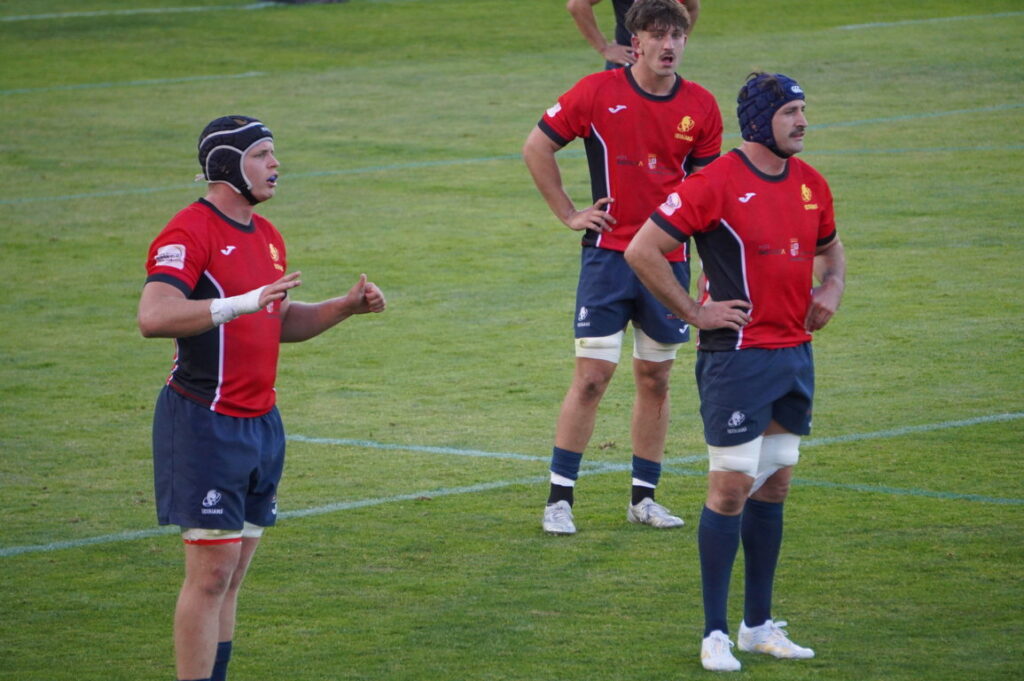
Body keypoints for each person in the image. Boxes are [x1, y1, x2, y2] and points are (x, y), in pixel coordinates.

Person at [138, 115, 386, 681]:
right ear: (227, 165)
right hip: (205, 421)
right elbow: (153, 317)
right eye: (263, 154)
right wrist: (241, 303)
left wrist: (343, 307)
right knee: (209, 575)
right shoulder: (188, 232)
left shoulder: (267, 235)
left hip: (261, 424)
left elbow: (277, 321)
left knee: (232, 575)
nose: (276, 164)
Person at [624, 72, 846, 671]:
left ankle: (757, 626)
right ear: (760, 121)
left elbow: (832, 246)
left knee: (774, 482)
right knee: (729, 484)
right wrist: (695, 312)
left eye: (803, 110)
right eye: (791, 112)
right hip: (737, 357)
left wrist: (834, 286)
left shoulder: (811, 185)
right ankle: (714, 632)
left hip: (794, 354)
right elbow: (641, 248)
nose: (802, 122)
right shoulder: (715, 182)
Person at [523, 0, 723, 535]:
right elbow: (536, 146)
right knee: (591, 377)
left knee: (656, 378)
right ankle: (559, 500)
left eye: (676, 35)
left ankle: (643, 498)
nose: (668, 45)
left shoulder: (702, 107)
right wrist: (569, 212)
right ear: (634, 43)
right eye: (657, 35)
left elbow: (706, 199)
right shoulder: (596, 92)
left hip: (668, 263)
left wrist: (711, 274)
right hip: (608, 257)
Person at [567, 0, 699, 69]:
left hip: (662, 68)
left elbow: (692, 8)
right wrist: (604, 48)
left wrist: (677, 42)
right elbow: (577, 4)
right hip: (627, 65)